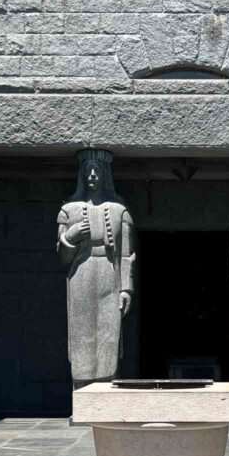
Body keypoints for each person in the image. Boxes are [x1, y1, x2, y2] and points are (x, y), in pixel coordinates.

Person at [57, 149, 135, 387]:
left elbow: (127, 254)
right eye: (87, 171)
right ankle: (81, 389)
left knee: (108, 333)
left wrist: (126, 289)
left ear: (105, 175)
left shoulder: (119, 210)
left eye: (97, 170)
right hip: (81, 272)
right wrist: (70, 236)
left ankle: (107, 387)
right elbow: (62, 257)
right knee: (81, 330)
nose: (92, 175)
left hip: (109, 273)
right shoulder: (68, 210)